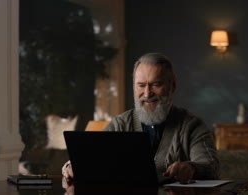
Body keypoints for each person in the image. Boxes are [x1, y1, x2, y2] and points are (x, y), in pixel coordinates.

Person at [62, 52, 219, 187]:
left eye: (156, 84)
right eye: (141, 85)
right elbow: (90, 158)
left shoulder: (193, 126)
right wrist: (72, 166)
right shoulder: (120, 123)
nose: (147, 93)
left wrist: (191, 168)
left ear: (173, 85)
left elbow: (211, 166)